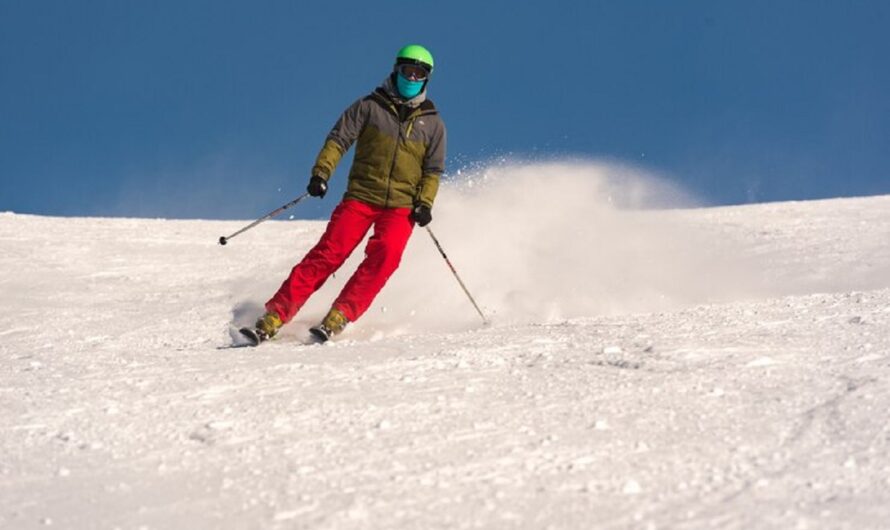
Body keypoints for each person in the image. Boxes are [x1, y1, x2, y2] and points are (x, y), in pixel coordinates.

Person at [246, 44, 446, 343]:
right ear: (396, 70)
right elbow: (339, 140)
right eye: (408, 71)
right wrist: (321, 173)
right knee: (329, 253)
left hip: (401, 207)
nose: (412, 78)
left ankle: (341, 314)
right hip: (362, 197)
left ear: (426, 79)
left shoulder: (432, 123)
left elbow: (432, 170)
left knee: (387, 256)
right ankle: (275, 315)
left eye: (419, 74)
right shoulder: (369, 106)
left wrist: (425, 202)